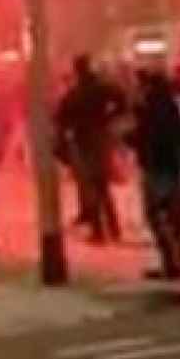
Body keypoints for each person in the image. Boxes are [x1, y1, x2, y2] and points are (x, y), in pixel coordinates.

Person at [130, 68, 180, 281]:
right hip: (172, 165)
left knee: (157, 215)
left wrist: (131, 139)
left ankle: (173, 262)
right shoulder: (174, 106)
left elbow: (145, 136)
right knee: (172, 219)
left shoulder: (150, 109)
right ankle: (179, 262)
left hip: (158, 166)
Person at [54, 55, 126, 243]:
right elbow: (121, 99)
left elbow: (60, 117)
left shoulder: (75, 93)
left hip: (83, 141)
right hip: (101, 137)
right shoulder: (102, 88)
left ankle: (99, 232)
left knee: (90, 188)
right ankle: (114, 228)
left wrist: (63, 138)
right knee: (102, 186)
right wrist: (110, 116)